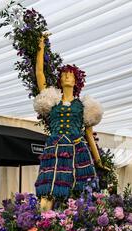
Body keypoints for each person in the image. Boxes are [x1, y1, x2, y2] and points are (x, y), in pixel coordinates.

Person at [34, 35, 104, 210]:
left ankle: (74, 230)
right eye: (64, 74)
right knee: (48, 190)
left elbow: (88, 133)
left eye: (70, 75)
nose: (66, 76)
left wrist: (98, 160)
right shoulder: (52, 100)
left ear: (76, 81)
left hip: (77, 148)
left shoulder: (85, 106)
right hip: (55, 147)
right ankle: (44, 227)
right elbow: (39, 73)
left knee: (81, 193)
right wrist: (41, 47)